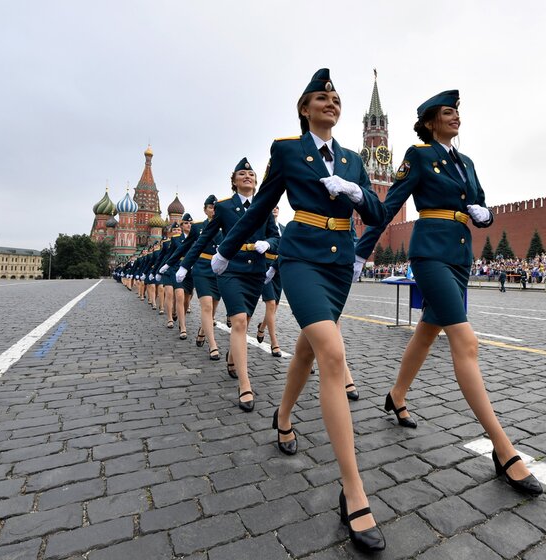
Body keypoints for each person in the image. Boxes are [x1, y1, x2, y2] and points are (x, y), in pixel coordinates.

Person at [212, 69, 386, 552]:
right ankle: (353, 491)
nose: (331, 102)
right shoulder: (288, 150)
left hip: (337, 266)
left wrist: (357, 194)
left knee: (309, 353)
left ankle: (283, 415)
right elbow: (260, 205)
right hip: (303, 256)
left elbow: (374, 211)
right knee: (332, 354)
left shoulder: (353, 158)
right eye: (321, 97)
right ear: (304, 109)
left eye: (335, 97)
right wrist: (227, 247)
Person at [353, 89, 543, 498]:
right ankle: (504, 450)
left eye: (457, 111)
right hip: (431, 252)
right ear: (429, 122)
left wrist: (485, 214)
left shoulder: (467, 163)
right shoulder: (418, 156)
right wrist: (360, 253)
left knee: (428, 330)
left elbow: (480, 203)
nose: (456, 116)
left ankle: (396, 394)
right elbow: (389, 207)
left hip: (460, 254)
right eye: (447, 112)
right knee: (465, 341)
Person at [177, 158, 280, 412]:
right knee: (240, 322)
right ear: (233, 181)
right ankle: (245, 385)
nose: (247, 176)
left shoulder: (264, 206)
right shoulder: (223, 208)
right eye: (242, 174)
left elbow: (276, 238)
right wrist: (184, 265)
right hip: (230, 270)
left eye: (251, 174)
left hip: (255, 272)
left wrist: (268, 245)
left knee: (243, 321)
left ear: (256, 182)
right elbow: (203, 240)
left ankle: (233, 358)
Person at [188, 195, 224, 360]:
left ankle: (203, 330)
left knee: (214, 307)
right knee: (207, 307)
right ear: (205, 209)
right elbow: (186, 247)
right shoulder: (197, 228)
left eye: (216, 208)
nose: (213, 211)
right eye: (210, 207)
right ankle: (213, 345)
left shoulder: (225, 225)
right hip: (202, 268)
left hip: (218, 270)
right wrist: (182, 265)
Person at [163, 213, 200, 340]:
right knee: (178, 295)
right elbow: (171, 255)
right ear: (182, 224)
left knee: (186, 299)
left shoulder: (198, 237)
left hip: (191, 270)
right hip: (177, 268)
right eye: (186, 223)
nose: (188, 225)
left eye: (190, 223)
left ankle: (179, 315)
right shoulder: (175, 240)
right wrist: (165, 266)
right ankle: (183, 326)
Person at [256, 206, 284, 358]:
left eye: (277, 207)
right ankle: (274, 343)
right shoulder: (263, 225)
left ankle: (262, 328)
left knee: (275, 306)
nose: (274, 209)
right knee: (271, 303)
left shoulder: (284, 228)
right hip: (264, 266)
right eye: (272, 207)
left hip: (279, 269)